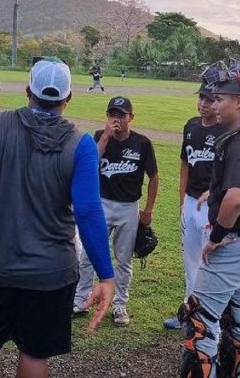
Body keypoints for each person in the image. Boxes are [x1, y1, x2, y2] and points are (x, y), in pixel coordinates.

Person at [0, 57, 115, 378]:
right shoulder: (82, 144)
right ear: (68, 97)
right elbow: (89, 212)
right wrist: (106, 275)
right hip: (52, 271)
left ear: (27, 91)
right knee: (35, 355)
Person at [178, 60, 240, 378]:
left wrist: (217, 235)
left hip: (232, 244)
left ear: (238, 102)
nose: (214, 104)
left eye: (220, 99)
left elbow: (237, 197)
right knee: (237, 319)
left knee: (198, 321)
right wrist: (213, 195)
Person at [74, 96, 159, 326]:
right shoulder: (98, 137)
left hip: (128, 208)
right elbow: (91, 162)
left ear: (131, 117)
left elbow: (154, 177)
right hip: (100, 204)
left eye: (121, 114)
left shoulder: (142, 143)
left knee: (123, 259)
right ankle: (81, 298)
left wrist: (148, 211)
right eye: (112, 114)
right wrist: (106, 136)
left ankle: (120, 305)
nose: (116, 118)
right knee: (88, 254)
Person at [163, 81, 228, 330]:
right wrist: (182, 201)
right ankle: (189, 311)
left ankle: (211, 316)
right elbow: (184, 165)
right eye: (201, 98)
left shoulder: (225, 129)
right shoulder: (190, 125)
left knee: (209, 260)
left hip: (211, 204)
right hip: (191, 202)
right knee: (190, 260)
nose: (204, 104)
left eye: (210, 99)